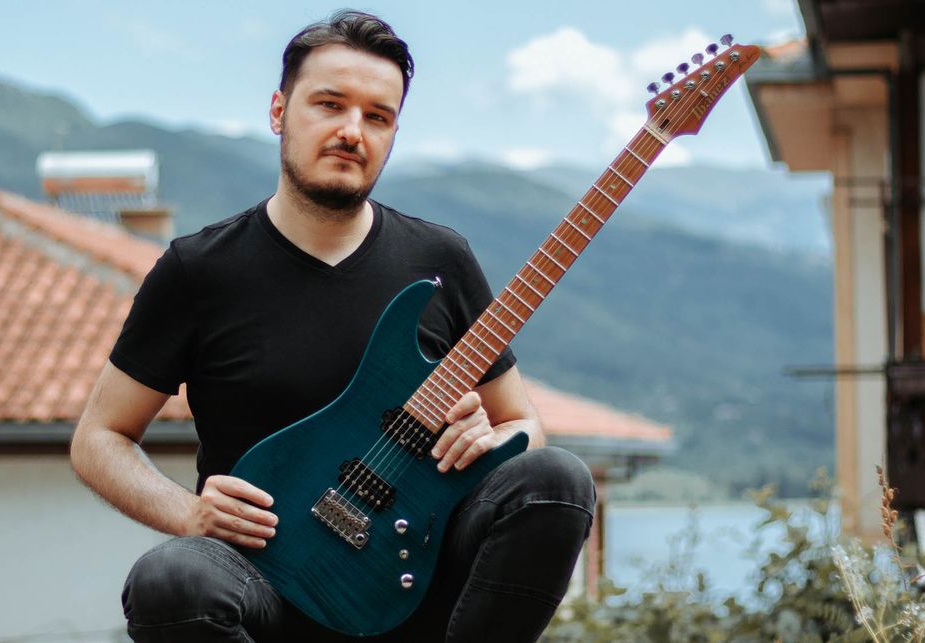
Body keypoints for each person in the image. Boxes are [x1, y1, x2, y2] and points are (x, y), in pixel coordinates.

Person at [70, 10, 595, 642]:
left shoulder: (440, 260)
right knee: (172, 580)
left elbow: (523, 425)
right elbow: (100, 438)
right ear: (278, 112)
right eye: (329, 104)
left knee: (557, 479)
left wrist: (487, 440)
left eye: (378, 116)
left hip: (414, 569)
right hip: (261, 576)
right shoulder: (198, 270)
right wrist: (190, 513)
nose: (353, 131)